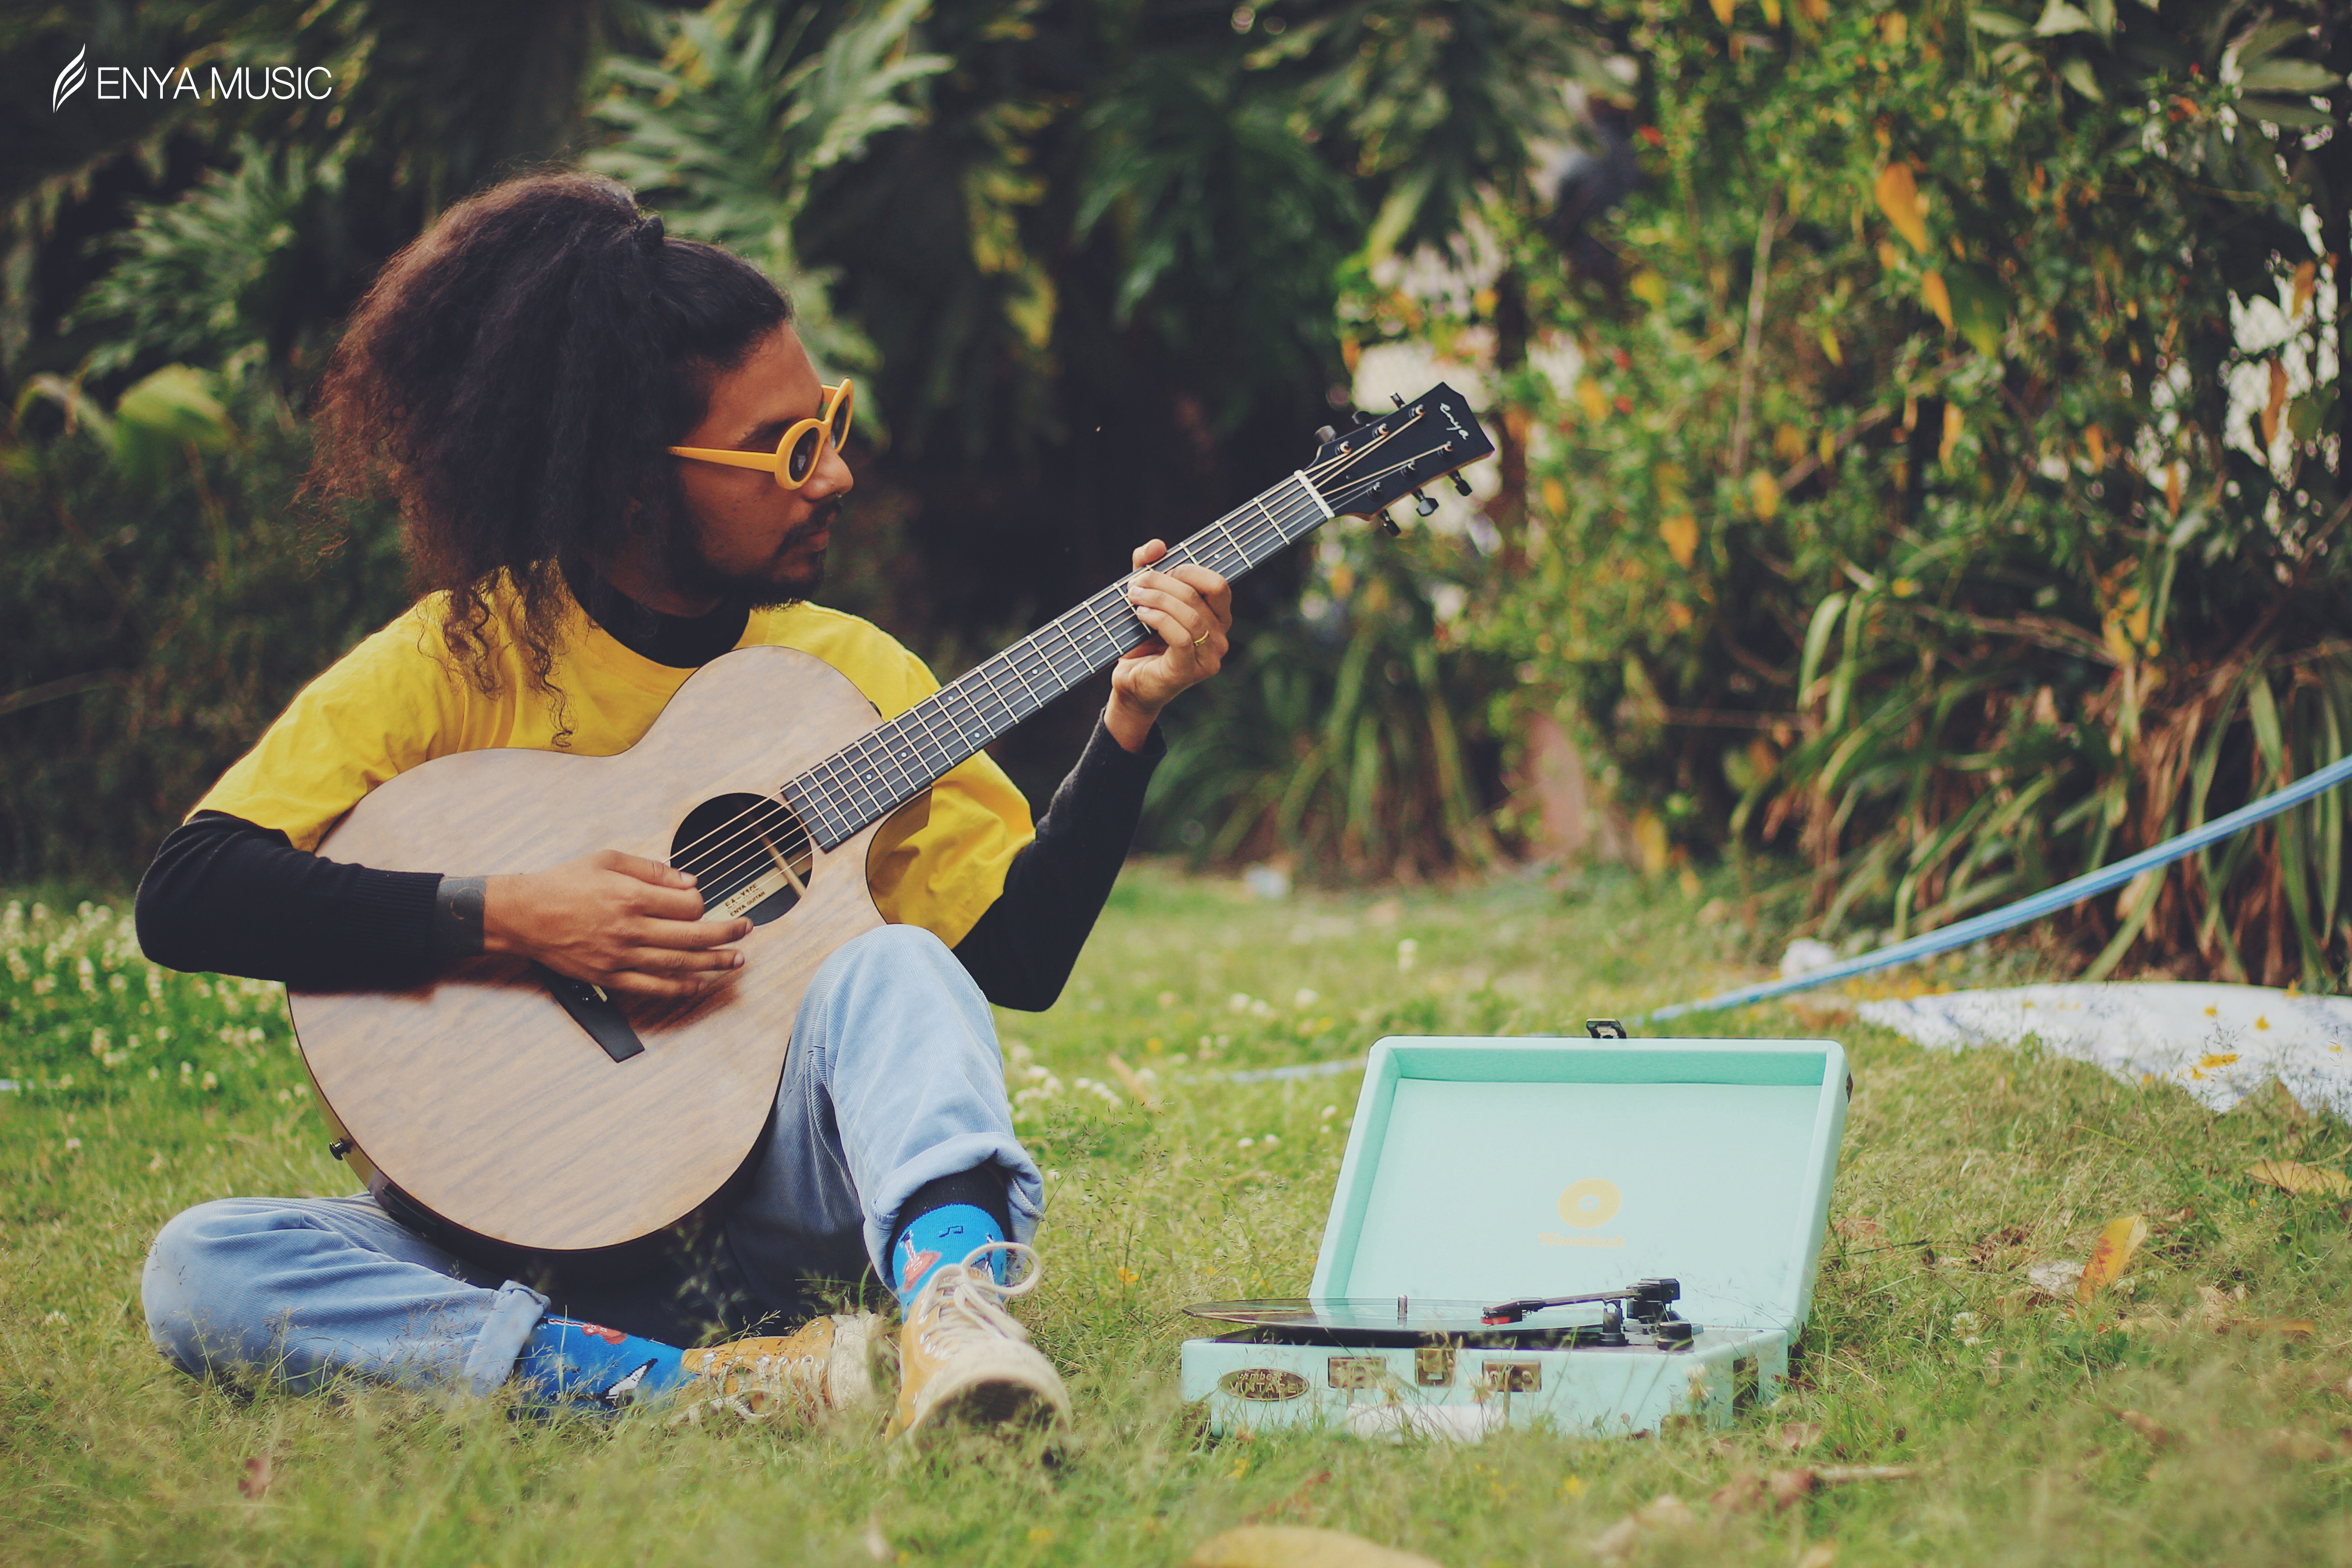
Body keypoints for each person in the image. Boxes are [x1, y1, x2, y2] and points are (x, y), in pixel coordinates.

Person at [131, 172, 1234, 1439]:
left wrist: (1129, 723)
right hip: (505, 1233)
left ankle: (955, 1316)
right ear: (628, 483)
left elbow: (1018, 961)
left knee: (902, 968)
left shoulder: (855, 679)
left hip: (771, 1226)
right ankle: (693, 1388)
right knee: (206, 1268)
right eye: (787, 450)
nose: (836, 476)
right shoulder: (464, 658)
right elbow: (191, 892)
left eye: (828, 423)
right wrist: (512, 914)